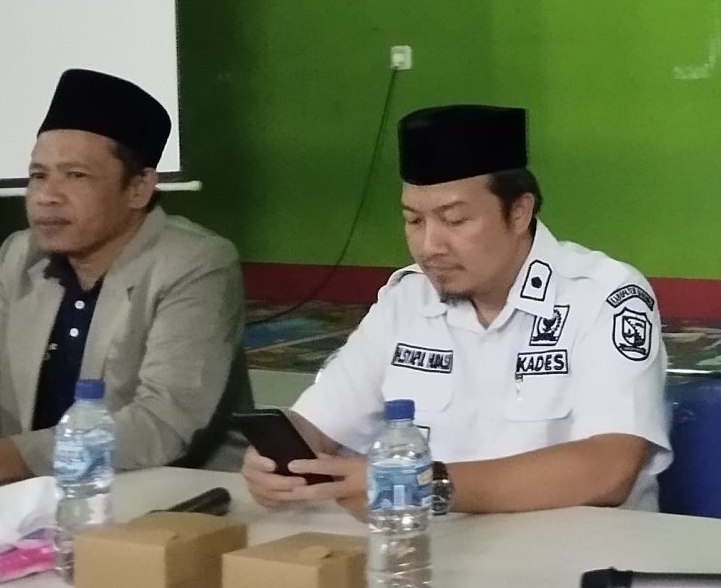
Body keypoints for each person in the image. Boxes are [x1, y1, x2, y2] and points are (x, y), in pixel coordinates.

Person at [245, 104, 670, 515]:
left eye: (454, 220)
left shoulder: (602, 296)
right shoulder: (406, 300)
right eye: (414, 221)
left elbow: (609, 468)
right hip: (439, 545)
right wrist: (272, 462)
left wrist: (425, 485)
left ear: (519, 212)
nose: (430, 246)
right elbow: (317, 424)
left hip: (580, 551)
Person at [0, 68, 248, 491]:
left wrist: (12, 457)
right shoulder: (20, 254)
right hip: (37, 492)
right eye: (38, 175)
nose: (47, 196)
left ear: (139, 188)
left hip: (174, 492)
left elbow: (164, 421)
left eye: (76, 175)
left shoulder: (194, 262)